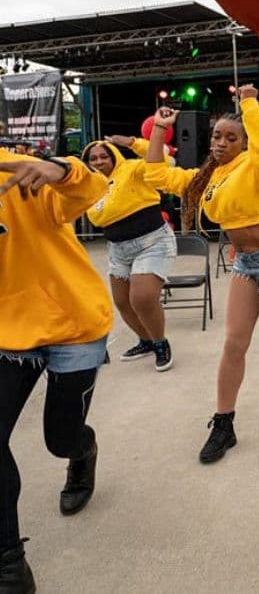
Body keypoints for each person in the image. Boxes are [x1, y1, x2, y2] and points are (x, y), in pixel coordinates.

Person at [145, 84, 259, 465]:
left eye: (231, 138)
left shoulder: (255, 165)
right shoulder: (206, 178)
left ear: (244, 143)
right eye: (217, 136)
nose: (221, 143)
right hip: (245, 264)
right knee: (233, 345)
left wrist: (250, 106)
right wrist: (162, 130)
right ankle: (224, 424)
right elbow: (157, 175)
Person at [0, 148, 112, 593]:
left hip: (72, 323)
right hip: (7, 333)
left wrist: (60, 170)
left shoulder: (11, 167)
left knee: (59, 439)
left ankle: (82, 452)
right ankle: (9, 561)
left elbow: (91, 188)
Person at [81, 135, 176, 371]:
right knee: (122, 302)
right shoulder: (88, 187)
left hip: (151, 242)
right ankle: (147, 340)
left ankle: (161, 343)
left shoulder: (132, 169)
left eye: (104, 156)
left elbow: (161, 158)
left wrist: (132, 142)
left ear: (114, 155)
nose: (99, 161)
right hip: (117, 248)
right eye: (93, 158)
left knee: (142, 298)